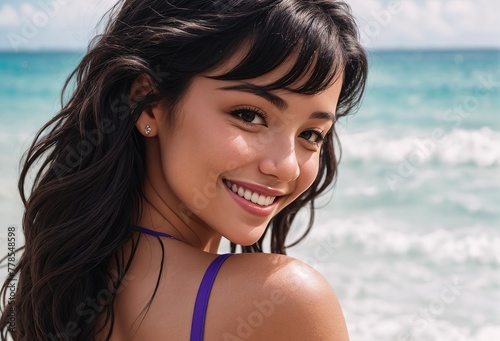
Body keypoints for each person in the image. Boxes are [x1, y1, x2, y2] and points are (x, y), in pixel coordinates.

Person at [0, 0, 367, 339]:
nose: (286, 166)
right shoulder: (284, 300)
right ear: (148, 103)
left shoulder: (53, 290)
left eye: (311, 134)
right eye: (249, 116)